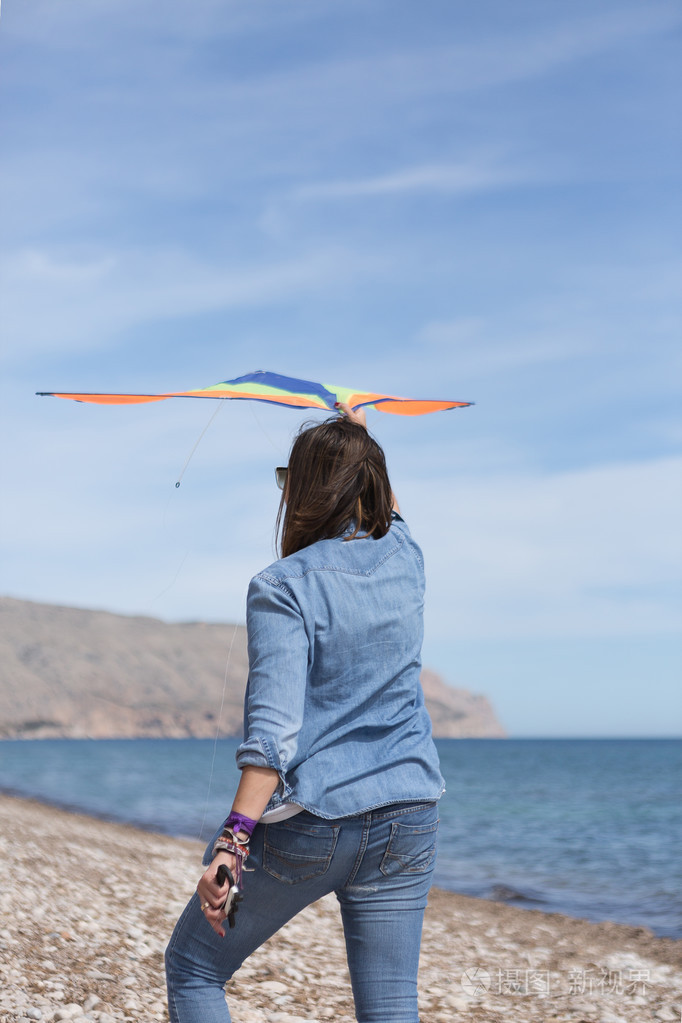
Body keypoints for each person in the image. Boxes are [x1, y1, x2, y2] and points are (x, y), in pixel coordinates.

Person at [165, 404, 445, 1023]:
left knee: (193, 967)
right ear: (369, 484)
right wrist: (364, 442)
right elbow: (391, 509)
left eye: (285, 477)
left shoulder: (282, 585)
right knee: (393, 1006)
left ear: (305, 488)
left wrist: (233, 842)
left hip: (315, 823)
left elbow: (272, 734)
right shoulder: (406, 556)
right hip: (408, 814)